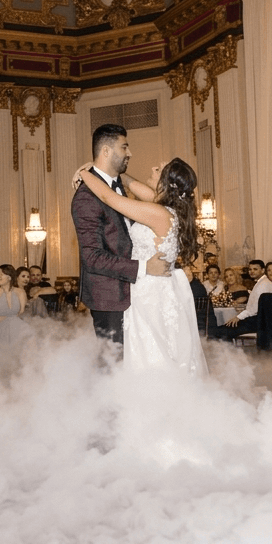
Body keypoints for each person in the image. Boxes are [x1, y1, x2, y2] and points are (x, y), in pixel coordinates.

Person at [75, 158, 208, 376]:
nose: (153, 168)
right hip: (155, 287)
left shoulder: (159, 213)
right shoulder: (165, 207)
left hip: (150, 292)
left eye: (159, 169)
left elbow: (109, 198)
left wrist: (85, 173)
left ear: (166, 182)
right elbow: (132, 184)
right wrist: (112, 168)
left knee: (150, 353)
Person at [70, 123, 160, 351]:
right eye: (124, 147)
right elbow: (92, 257)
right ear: (106, 151)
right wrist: (144, 267)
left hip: (133, 291)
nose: (130, 153)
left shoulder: (114, 185)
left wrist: (89, 170)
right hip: (109, 297)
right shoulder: (86, 196)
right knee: (113, 362)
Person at [213, 260, 272, 340]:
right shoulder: (264, 283)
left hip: (258, 322)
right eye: (250, 269)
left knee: (220, 331)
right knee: (224, 328)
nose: (252, 271)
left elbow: (253, 310)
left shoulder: (262, 285)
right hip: (263, 321)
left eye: (255, 269)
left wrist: (238, 317)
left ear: (263, 270)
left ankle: (226, 347)